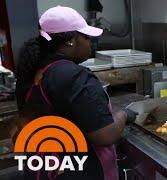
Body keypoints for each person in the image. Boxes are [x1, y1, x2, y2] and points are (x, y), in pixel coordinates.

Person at [15, 6, 137, 180]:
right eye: (86, 37)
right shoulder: (74, 76)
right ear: (70, 41)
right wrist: (124, 115)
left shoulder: (30, 73)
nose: (90, 43)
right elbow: (105, 135)